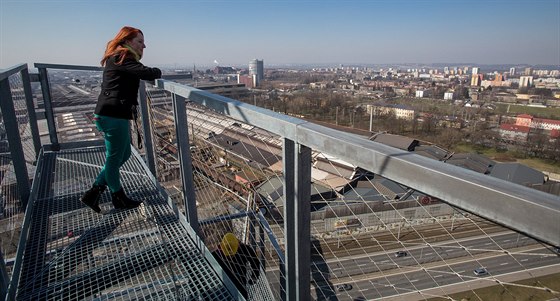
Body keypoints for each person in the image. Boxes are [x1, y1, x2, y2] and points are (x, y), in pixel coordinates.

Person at [80, 26, 162, 213]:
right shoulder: (122, 56)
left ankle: (94, 193)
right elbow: (147, 72)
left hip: (113, 114)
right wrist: (158, 71)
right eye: (140, 41)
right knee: (114, 158)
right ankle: (118, 197)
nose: (144, 46)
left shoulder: (118, 56)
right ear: (127, 41)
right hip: (112, 115)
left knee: (121, 156)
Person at [212, 233, 261, 299]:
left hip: (239, 283)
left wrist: (254, 276)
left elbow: (255, 261)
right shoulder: (217, 253)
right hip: (226, 283)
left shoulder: (245, 249)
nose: (230, 256)